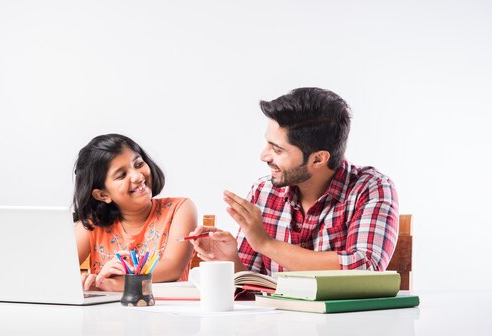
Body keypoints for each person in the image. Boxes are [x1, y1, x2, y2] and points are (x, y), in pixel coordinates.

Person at [190, 87, 399, 275]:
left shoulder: (371, 188)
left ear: (318, 159)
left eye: (277, 149)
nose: (264, 156)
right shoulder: (264, 191)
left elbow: (365, 267)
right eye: (267, 144)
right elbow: (252, 281)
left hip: (343, 319)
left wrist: (266, 243)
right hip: (275, 318)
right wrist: (229, 259)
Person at [73, 133, 197, 291]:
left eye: (138, 164)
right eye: (122, 175)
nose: (138, 176)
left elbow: (172, 268)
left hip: (165, 312)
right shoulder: (93, 225)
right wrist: (84, 281)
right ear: (103, 195)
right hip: (106, 315)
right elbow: (55, 271)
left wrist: (111, 284)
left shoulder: (180, 208)